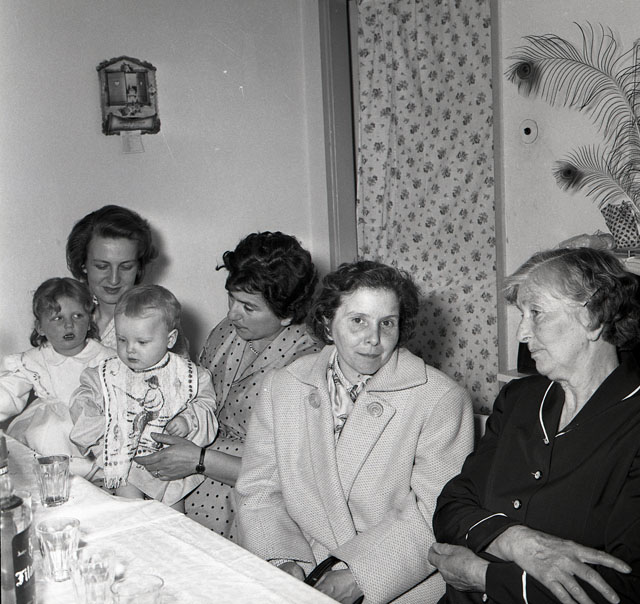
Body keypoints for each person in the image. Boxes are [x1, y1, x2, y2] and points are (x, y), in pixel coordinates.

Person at [234, 260, 475, 604]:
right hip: (301, 566)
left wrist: (360, 577)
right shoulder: (284, 385)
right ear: (327, 322)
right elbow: (259, 490)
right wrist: (281, 561)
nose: (374, 339)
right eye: (358, 320)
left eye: (387, 323)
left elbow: (435, 512)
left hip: (394, 581)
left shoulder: (440, 398)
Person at [430, 247, 640, 604]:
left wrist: (482, 575)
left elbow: (624, 589)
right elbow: (451, 506)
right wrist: (516, 541)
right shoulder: (519, 400)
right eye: (521, 314)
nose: (522, 333)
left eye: (537, 313)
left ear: (593, 317)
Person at [134, 231, 320, 539]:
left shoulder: (308, 365)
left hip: (250, 499)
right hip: (190, 469)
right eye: (232, 298)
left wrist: (199, 461)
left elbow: (294, 475)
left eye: (248, 307)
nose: (233, 313)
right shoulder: (230, 330)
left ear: (287, 315)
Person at [69, 285, 218, 510]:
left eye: (142, 342)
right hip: (126, 461)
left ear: (170, 339)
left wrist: (188, 419)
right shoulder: (109, 373)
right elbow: (83, 400)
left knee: (173, 515)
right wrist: (102, 424)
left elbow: (205, 403)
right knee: (131, 506)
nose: (130, 349)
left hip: (170, 464)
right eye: (122, 340)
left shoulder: (188, 375)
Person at [0, 278, 114, 476]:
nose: (69, 324)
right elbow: (8, 392)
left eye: (77, 316)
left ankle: (93, 477)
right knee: (44, 434)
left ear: (89, 321)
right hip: (49, 432)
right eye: (57, 318)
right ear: (40, 327)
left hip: (91, 426)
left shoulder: (107, 359)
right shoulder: (34, 360)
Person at [66, 204, 158, 349]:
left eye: (126, 267)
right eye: (102, 266)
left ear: (139, 266)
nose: (114, 279)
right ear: (83, 264)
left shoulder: (158, 318)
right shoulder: (65, 313)